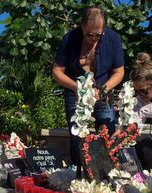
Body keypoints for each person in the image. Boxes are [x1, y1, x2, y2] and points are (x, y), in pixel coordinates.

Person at [52, 6, 125, 168]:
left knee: (107, 132)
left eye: (98, 34)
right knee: (76, 134)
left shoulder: (112, 38)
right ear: (82, 27)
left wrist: (103, 89)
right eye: (89, 34)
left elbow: (119, 72)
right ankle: (77, 170)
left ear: (104, 29)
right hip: (75, 91)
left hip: (103, 90)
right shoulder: (69, 39)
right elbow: (57, 72)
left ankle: (106, 169)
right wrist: (78, 88)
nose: (93, 37)